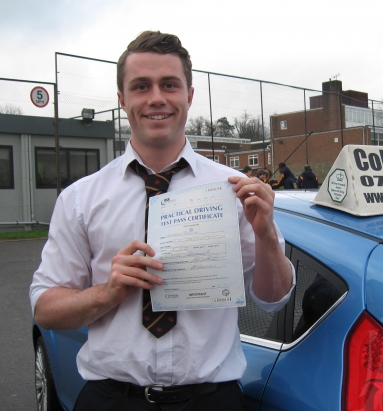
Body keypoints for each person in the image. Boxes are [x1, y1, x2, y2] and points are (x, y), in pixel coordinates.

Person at [29, 31, 294, 411]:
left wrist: (266, 234)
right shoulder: (79, 199)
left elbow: (273, 300)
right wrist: (107, 292)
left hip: (212, 400)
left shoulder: (233, 190)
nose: (156, 98)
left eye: (169, 84)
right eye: (141, 86)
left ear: (188, 95)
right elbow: (45, 308)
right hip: (111, 399)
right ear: (122, 100)